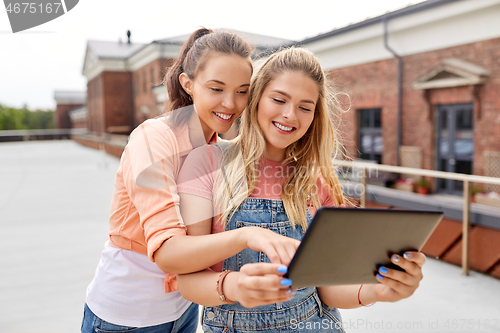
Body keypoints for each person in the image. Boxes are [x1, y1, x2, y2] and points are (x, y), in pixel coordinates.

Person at [176, 47, 426, 332]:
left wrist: (377, 291)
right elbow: (187, 280)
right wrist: (234, 287)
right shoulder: (208, 162)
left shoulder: (317, 181)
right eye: (279, 99)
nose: (290, 115)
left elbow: (328, 287)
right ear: (256, 98)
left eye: (305, 107)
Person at [81, 28, 300, 333]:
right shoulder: (153, 139)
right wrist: (248, 236)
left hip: (185, 311)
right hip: (127, 317)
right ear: (188, 84)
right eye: (216, 88)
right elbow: (168, 252)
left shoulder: (215, 148)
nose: (230, 103)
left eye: (242, 91)